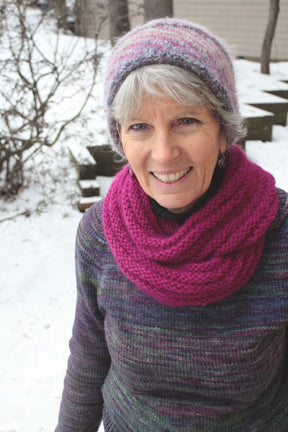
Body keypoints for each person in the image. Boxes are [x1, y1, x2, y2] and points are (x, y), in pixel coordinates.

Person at [55, 18, 288, 432]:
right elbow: (89, 357)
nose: (163, 154)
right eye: (140, 127)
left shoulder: (280, 232)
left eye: (186, 121)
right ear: (121, 138)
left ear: (222, 130)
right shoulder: (100, 234)